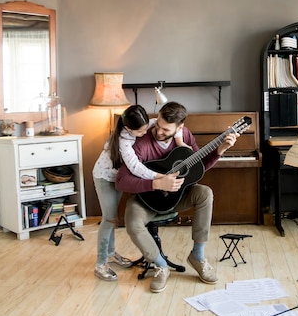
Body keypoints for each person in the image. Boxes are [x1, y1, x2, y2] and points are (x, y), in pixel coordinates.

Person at [115, 101, 239, 293]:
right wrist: (155, 183)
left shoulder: (185, 136)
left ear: (180, 127)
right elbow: (121, 181)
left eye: (166, 130)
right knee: (132, 221)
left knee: (205, 193)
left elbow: (198, 168)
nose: (159, 131)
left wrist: (219, 150)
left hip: (177, 196)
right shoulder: (141, 140)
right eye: (158, 125)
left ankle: (198, 256)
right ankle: (159, 265)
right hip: (147, 198)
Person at [93, 104, 184, 281]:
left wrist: (179, 142)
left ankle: (111, 253)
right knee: (109, 219)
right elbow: (135, 168)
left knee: (114, 218)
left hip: (118, 178)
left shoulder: (148, 124)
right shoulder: (123, 140)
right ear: (128, 128)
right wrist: (160, 178)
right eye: (141, 132)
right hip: (105, 178)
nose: (146, 133)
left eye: (146, 129)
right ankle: (100, 264)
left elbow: (178, 127)